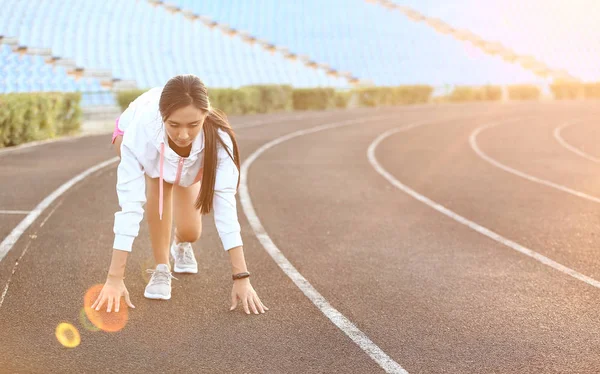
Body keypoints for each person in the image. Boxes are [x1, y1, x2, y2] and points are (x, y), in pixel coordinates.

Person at [91, 74, 268, 316]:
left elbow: (226, 208)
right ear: (162, 117)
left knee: (191, 231)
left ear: (205, 116)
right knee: (159, 185)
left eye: (193, 125)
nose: (183, 134)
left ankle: (180, 244)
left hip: (189, 163)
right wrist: (114, 278)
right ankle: (161, 267)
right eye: (174, 125)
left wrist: (241, 277)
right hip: (143, 143)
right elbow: (130, 207)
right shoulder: (141, 132)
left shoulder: (219, 139)